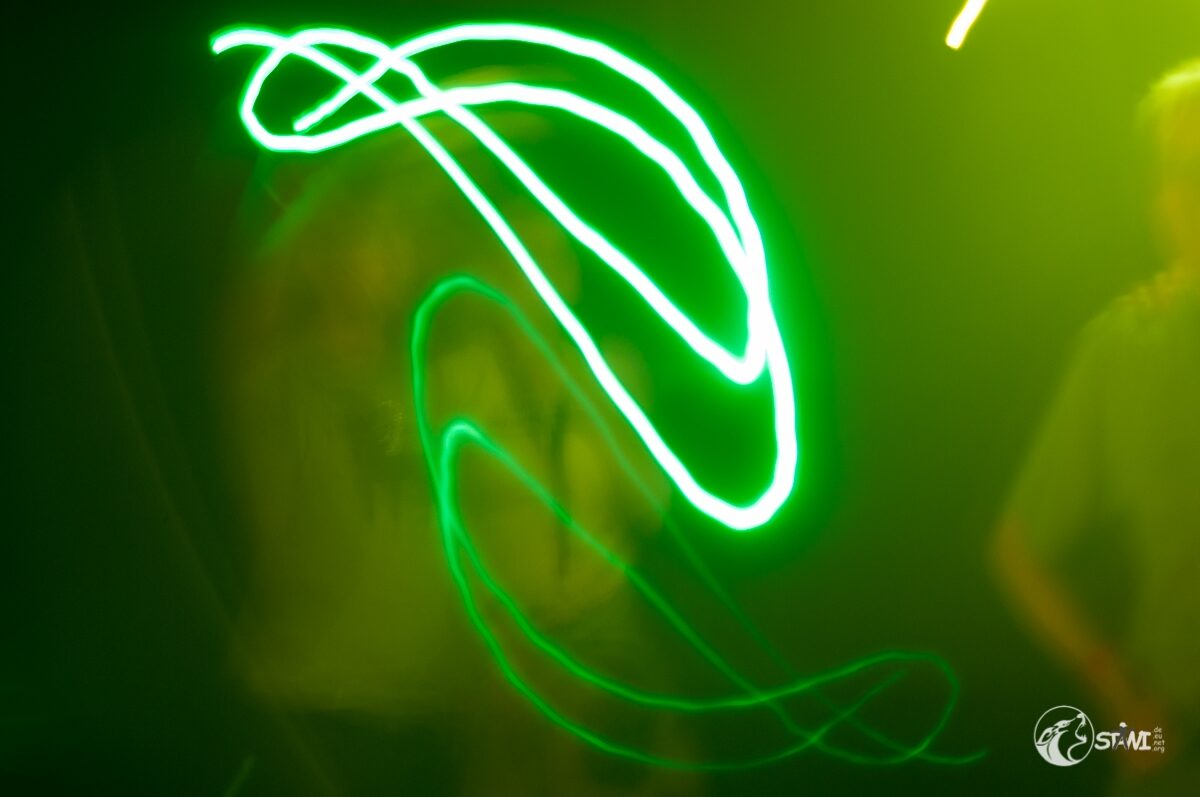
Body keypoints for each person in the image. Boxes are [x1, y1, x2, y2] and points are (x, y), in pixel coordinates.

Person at [991, 60, 1200, 793]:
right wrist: (1120, 701)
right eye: (1178, 171)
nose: (1188, 193)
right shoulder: (1125, 346)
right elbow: (1018, 549)